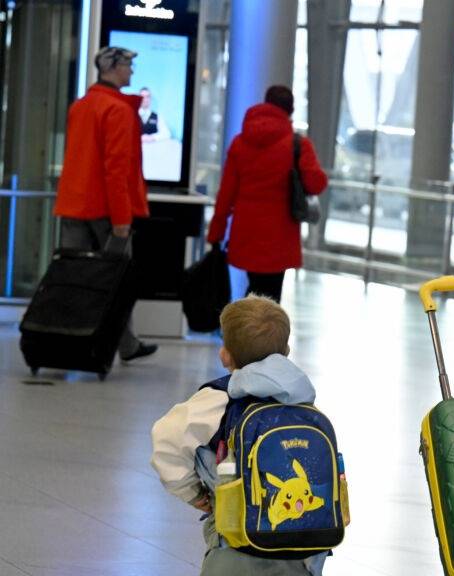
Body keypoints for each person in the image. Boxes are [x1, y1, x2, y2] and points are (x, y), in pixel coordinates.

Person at [150, 295, 326, 575]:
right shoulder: (304, 402)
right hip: (302, 547)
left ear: (225, 355)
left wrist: (193, 493)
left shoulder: (219, 398)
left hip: (234, 543)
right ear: (287, 351)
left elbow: (167, 438)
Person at [54, 46, 156, 362]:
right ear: (112, 68)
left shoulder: (81, 106)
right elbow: (117, 169)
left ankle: (68, 341)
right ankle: (122, 345)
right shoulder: (118, 110)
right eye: (127, 65)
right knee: (117, 281)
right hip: (105, 211)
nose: (131, 72)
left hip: (73, 204)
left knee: (74, 279)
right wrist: (122, 219)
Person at [207, 86, 327, 303]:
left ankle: (243, 332)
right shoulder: (298, 144)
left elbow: (226, 194)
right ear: (290, 110)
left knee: (256, 289)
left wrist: (216, 233)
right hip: (280, 235)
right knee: (269, 297)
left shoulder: (240, 143)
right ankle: (253, 334)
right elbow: (316, 184)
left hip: (246, 233)